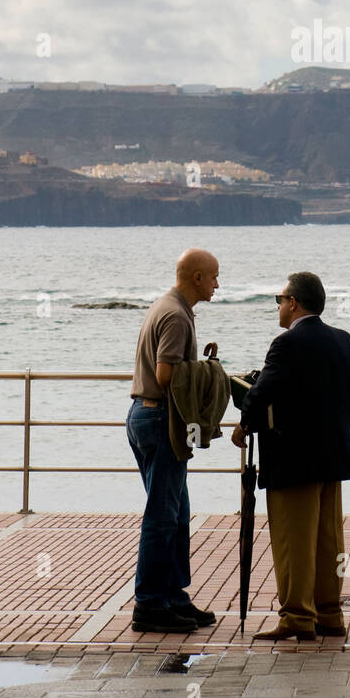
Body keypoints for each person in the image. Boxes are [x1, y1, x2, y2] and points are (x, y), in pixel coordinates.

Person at [231, 271, 350, 641]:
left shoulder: (286, 343)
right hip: (334, 456)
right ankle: (330, 614)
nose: (278, 305)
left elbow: (262, 392)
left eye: (280, 299)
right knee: (330, 541)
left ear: (293, 302)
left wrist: (244, 425)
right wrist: (343, 426)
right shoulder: (342, 339)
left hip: (293, 459)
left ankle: (297, 617)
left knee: (294, 540)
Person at [127, 248, 220, 634]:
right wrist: (208, 371)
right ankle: (149, 604)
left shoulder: (168, 306)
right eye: (214, 276)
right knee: (162, 516)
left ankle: (173, 598)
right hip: (160, 417)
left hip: (147, 415)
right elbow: (166, 374)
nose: (218, 283)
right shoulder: (177, 315)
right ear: (196, 277)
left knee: (177, 512)